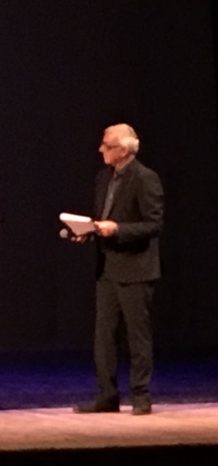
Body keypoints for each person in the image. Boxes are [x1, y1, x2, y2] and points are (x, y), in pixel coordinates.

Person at [71, 123, 164, 416]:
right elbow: (102, 218)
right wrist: (88, 232)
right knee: (104, 338)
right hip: (107, 269)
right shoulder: (104, 178)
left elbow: (153, 224)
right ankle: (107, 396)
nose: (101, 150)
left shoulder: (145, 178)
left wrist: (118, 229)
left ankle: (141, 396)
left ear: (123, 150)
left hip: (136, 269)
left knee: (137, 336)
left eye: (107, 146)